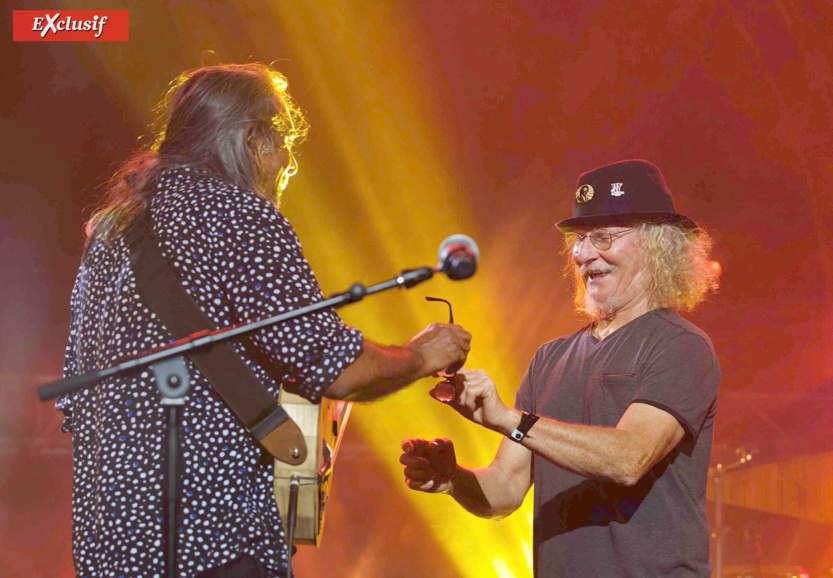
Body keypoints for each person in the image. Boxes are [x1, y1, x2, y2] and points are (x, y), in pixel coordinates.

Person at [57, 63, 471, 578]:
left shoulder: (110, 234)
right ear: (252, 139)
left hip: (111, 552)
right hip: (212, 547)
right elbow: (339, 369)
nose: (289, 160)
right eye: (285, 141)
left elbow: (81, 402)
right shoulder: (237, 215)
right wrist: (423, 354)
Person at [401, 159, 720, 577]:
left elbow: (629, 458)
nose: (582, 254)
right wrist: (453, 479)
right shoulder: (549, 359)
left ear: (656, 245)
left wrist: (509, 419)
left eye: (602, 237)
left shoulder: (679, 346)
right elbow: (506, 489)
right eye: (579, 239)